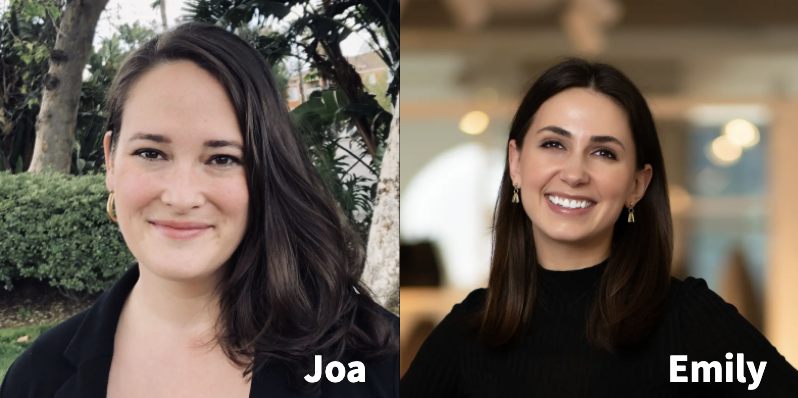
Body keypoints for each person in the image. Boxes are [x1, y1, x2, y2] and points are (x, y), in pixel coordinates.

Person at [0, 22, 398, 398]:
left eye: (222, 158)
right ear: (110, 160)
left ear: (265, 170)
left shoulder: (376, 362)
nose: (182, 196)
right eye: (151, 153)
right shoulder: (38, 379)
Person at [400, 58, 798, 397]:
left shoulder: (686, 321)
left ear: (637, 185)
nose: (574, 173)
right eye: (554, 144)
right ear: (516, 163)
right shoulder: (470, 331)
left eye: (604, 153)